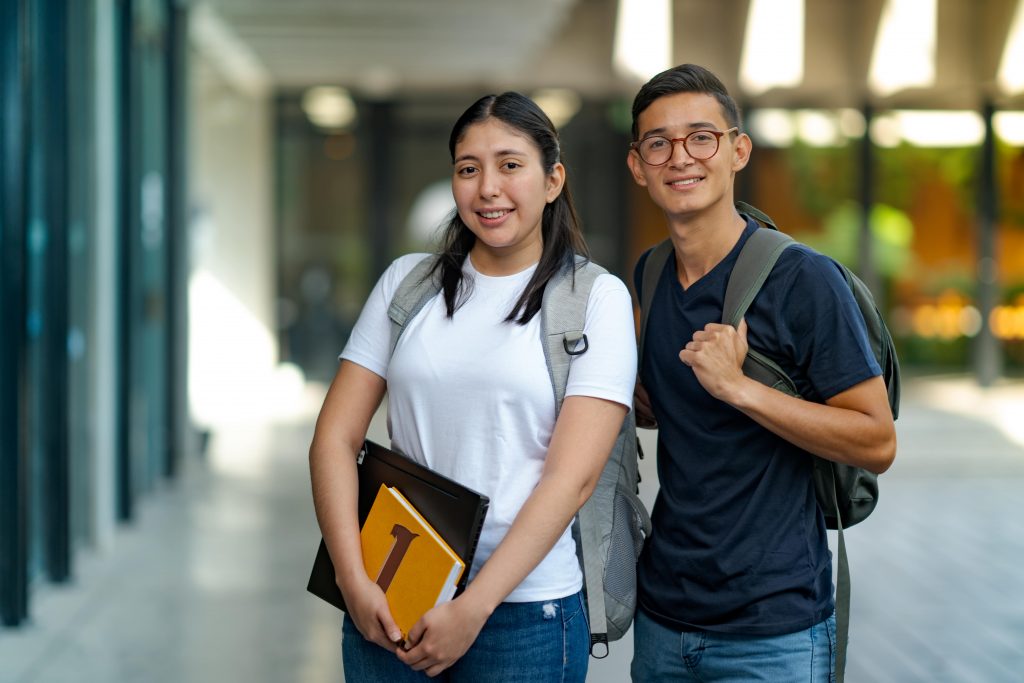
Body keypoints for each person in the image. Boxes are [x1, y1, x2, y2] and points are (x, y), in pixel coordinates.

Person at [308, 91, 637, 682]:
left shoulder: (594, 299)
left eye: (511, 165)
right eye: (469, 169)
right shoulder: (407, 284)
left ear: (553, 179)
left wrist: (473, 606)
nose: (488, 188)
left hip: (524, 616)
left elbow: (574, 476)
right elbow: (334, 437)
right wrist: (352, 578)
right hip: (393, 594)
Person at [625, 64, 897, 682]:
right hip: (664, 612)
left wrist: (739, 388)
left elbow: (877, 441)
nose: (680, 158)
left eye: (702, 137)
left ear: (737, 150)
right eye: (658, 143)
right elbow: (669, 408)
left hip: (773, 628)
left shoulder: (803, 279)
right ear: (638, 165)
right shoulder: (649, 274)